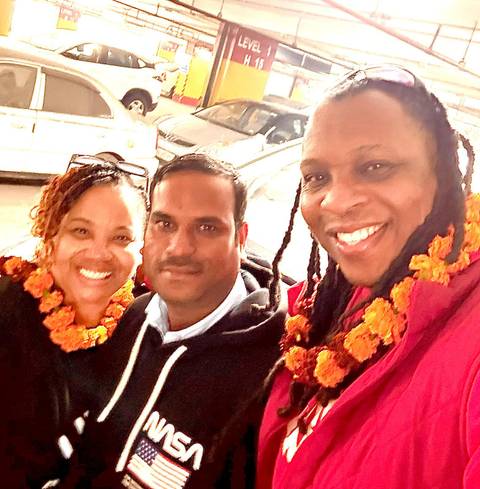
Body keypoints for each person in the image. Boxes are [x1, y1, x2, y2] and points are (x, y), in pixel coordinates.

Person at [256, 65, 480, 489]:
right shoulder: (327, 304)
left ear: (441, 173)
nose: (336, 201)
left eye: (376, 166)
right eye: (317, 177)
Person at [63, 154, 285, 489]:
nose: (180, 247)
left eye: (207, 227)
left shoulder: (271, 371)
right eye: (165, 224)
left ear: (240, 239)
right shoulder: (134, 317)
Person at [0, 159, 147, 487]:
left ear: (142, 250)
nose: (99, 252)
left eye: (121, 238)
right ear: (51, 240)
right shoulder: (8, 310)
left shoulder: (146, 331)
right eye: (81, 231)